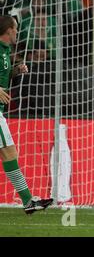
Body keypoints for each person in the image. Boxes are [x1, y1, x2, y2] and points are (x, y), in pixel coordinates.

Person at [0, 15, 53, 213]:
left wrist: (16, 71)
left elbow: (3, 75)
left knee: (9, 154)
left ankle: (28, 202)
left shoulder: (6, 51)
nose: (17, 32)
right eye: (15, 28)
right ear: (8, 30)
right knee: (9, 153)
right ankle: (28, 201)